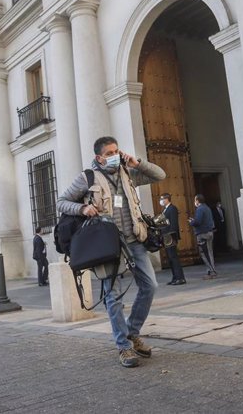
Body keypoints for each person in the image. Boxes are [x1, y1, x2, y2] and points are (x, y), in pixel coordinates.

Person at [57, 136, 166, 368]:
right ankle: (124, 346)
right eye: (109, 153)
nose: (114, 155)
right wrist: (82, 207)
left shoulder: (129, 173)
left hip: (134, 239)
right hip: (107, 244)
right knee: (113, 296)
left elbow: (160, 175)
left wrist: (137, 163)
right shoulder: (87, 178)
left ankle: (131, 331)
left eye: (116, 151)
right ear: (99, 157)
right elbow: (62, 202)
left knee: (150, 286)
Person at [189, 194, 217, 279]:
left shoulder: (200, 209)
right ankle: (209, 271)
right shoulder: (207, 208)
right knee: (209, 252)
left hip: (203, 234)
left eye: (195, 200)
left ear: (197, 201)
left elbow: (198, 221)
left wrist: (191, 222)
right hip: (209, 232)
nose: (194, 202)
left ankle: (212, 272)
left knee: (205, 254)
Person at [160, 193, 185, 285]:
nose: (161, 200)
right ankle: (175, 278)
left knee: (174, 257)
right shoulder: (165, 209)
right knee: (170, 258)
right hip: (166, 237)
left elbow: (173, 224)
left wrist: (171, 236)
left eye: (162, 199)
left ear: (167, 199)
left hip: (170, 237)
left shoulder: (172, 208)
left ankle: (180, 278)